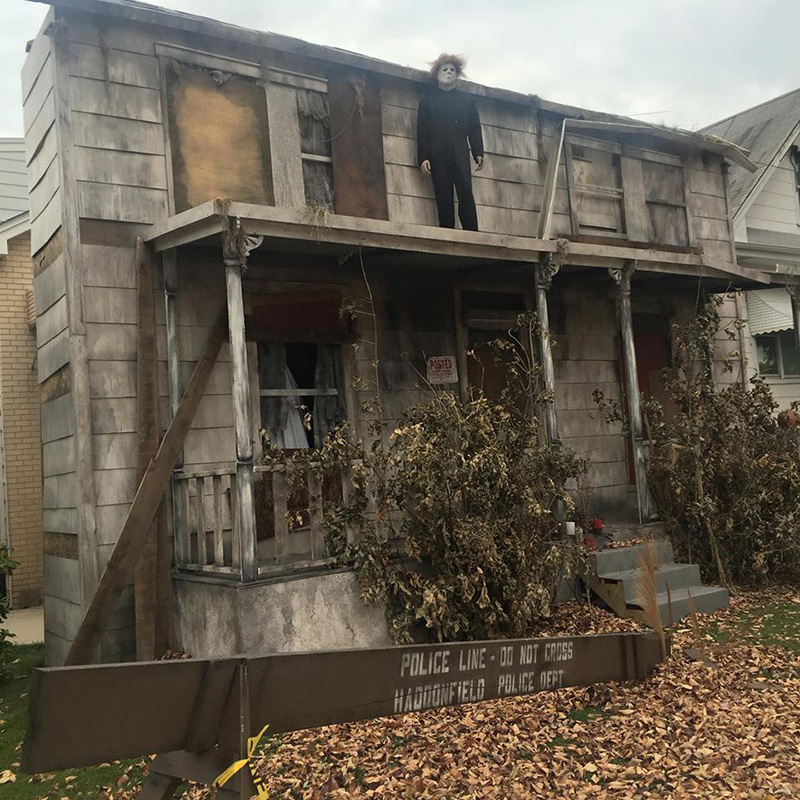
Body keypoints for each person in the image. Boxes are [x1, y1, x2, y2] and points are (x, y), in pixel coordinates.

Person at [417, 54, 485, 231]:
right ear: (436, 74)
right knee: (443, 193)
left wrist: (478, 152)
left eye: (452, 70)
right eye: (444, 69)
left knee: (465, 191)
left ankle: (472, 232)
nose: (448, 73)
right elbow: (422, 131)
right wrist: (423, 157)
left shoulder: (467, 102)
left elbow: (474, 128)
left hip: (460, 150)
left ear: (457, 75)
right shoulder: (427, 102)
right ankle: (447, 233)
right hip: (437, 153)